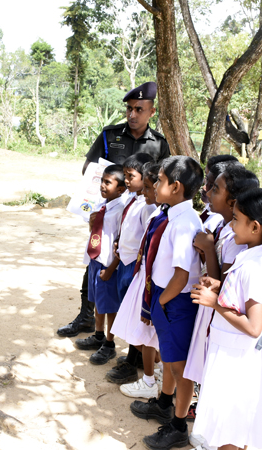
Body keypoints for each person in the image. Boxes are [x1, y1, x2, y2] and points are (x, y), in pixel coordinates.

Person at [58, 81, 171, 338]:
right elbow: (89, 167)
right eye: (129, 109)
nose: (132, 114)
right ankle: (86, 316)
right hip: (108, 214)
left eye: (139, 109)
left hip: (138, 214)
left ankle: (126, 329)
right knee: (96, 260)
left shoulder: (159, 144)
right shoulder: (110, 135)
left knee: (130, 267)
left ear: (151, 112)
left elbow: (161, 178)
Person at [190, 188, 262, 450]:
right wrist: (221, 288)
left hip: (240, 360)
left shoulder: (257, 267)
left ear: (255, 227)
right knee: (225, 428)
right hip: (230, 352)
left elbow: (254, 327)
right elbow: (243, 300)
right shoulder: (249, 257)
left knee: (232, 431)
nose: (231, 226)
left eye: (235, 219)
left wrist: (216, 304)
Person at [130, 156, 204, 449]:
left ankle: (178, 424)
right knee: (171, 359)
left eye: (159, 180)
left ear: (175, 187)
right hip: (167, 299)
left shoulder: (185, 223)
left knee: (179, 367)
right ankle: (164, 403)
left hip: (175, 302)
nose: (156, 184)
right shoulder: (173, 215)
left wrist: (161, 302)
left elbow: (182, 274)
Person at [111, 161, 164, 399]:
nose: (129, 181)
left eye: (132, 176)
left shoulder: (150, 209)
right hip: (131, 266)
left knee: (144, 328)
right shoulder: (135, 202)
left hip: (140, 270)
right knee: (136, 323)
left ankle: (147, 373)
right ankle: (140, 363)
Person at [75, 165, 126, 365]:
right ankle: (98, 335)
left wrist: (112, 267)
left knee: (110, 306)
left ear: (121, 189)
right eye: (102, 181)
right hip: (96, 261)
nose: (103, 186)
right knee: (98, 302)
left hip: (108, 265)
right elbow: (96, 232)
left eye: (108, 182)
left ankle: (110, 344)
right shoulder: (102, 204)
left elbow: (119, 241)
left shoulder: (120, 210)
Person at [199, 154, 239, 232]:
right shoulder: (210, 207)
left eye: (213, 186)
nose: (204, 187)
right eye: (206, 178)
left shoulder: (220, 216)